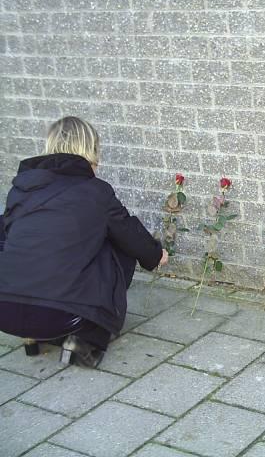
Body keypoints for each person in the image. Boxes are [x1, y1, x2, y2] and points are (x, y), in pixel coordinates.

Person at [0, 116, 169, 367]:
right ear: (90, 150)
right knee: (118, 247)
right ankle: (85, 340)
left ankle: (31, 337)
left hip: (6, 309)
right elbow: (130, 235)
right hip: (59, 316)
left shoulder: (22, 189)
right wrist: (156, 256)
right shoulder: (95, 191)